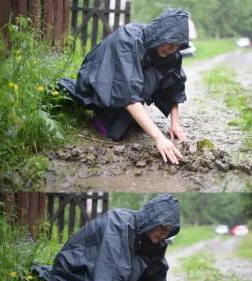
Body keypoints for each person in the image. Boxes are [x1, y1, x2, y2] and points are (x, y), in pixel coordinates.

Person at [58, 9, 190, 165]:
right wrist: (159, 138)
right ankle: (102, 112)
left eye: (176, 46)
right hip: (100, 82)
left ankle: (127, 116)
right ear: (159, 33)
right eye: (169, 42)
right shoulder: (128, 39)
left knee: (131, 124)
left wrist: (175, 123)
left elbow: (173, 87)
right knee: (113, 132)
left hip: (127, 92)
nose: (171, 49)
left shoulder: (171, 53)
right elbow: (127, 90)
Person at [33, 194, 180, 281]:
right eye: (162, 226)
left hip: (100, 275)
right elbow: (106, 278)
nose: (164, 233)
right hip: (76, 269)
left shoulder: (156, 239)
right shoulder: (119, 225)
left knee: (135, 268)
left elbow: (157, 274)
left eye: (169, 229)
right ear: (151, 219)